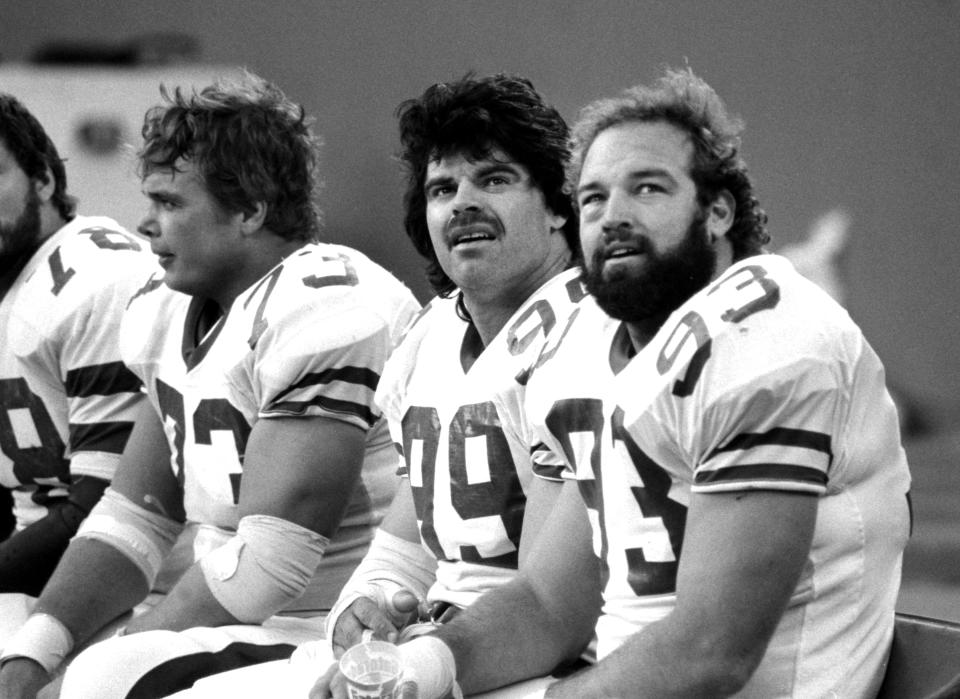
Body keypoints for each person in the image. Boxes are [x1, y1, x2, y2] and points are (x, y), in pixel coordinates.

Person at [319, 67, 913, 698]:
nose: (613, 216)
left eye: (648, 189)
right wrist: (421, 669)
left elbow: (710, 655)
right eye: (595, 198)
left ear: (717, 210)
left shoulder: (765, 336)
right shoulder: (594, 345)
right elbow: (549, 602)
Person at [0, 72, 419, 698]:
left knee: (101, 678)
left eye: (170, 203)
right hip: (232, 622)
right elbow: (131, 520)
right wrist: (34, 657)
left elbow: (269, 565)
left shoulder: (328, 305)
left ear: (250, 208)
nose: (146, 224)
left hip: (329, 631)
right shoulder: (164, 310)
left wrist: (102, 663)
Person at [178, 72, 587, 699]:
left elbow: (547, 610)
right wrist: (364, 612)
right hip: (443, 642)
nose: (463, 203)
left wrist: (423, 661)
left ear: (560, 203)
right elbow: (406, 544)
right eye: (443, 187)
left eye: (496, 179)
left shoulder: (581, 331)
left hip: (540, 660)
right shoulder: (431, 337)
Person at [0, 93, 154, 596]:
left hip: (135, 587)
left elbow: (109, 506)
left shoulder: (98, 281)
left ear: (42, 179)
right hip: (35, 573)